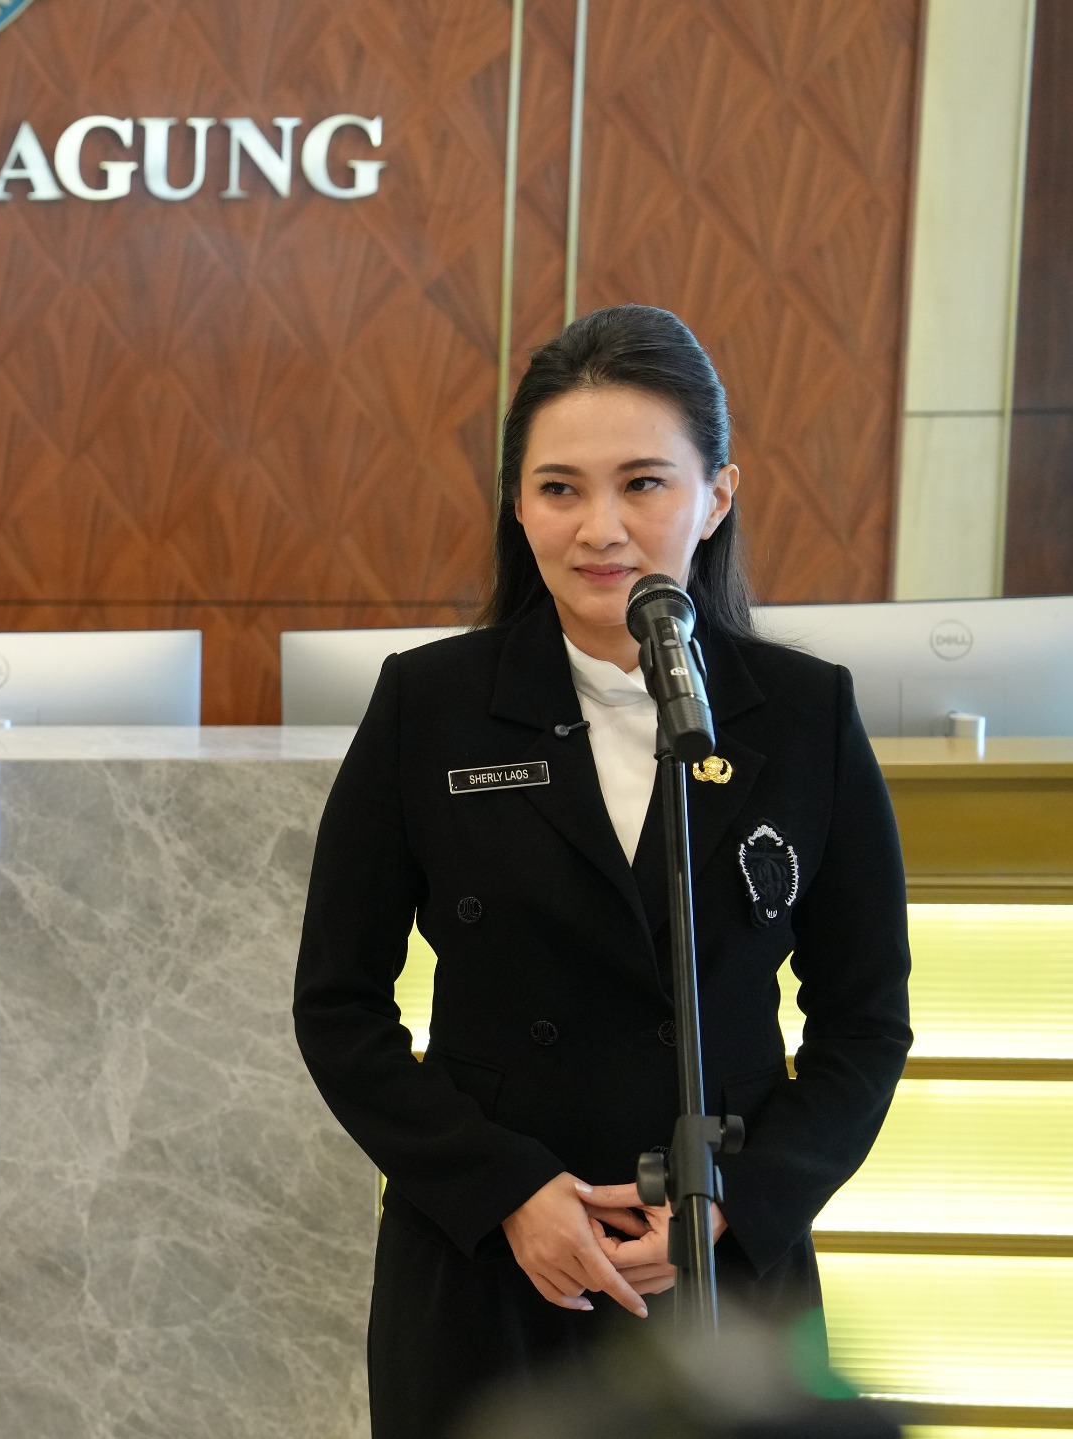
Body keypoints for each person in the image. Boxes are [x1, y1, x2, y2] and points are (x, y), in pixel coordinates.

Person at [291, 305, 912, 1439]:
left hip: (724, 1272)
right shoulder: (429, 704)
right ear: (517, 504)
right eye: (559, 488)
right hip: (487, 1264)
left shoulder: (804, 714)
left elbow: (865, 1020)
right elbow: (338, 1005)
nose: (600, 528)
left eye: (643, 483)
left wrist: (737, 1205)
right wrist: (505, 1191)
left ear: (715, 496)